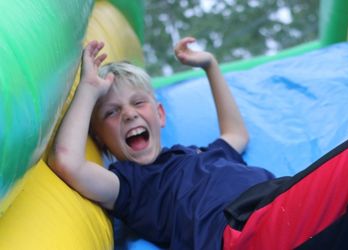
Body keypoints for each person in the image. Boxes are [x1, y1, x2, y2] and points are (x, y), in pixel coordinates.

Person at [48, 37, 274, 249]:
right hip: (237, 229)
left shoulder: (197, 154)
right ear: (100, 140)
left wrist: (210, 66)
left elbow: (237, 135)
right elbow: (68, 161)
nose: (128, 114)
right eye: (112, 112)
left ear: (161, 115)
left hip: (273, 200)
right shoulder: (132, 186)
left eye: (138, 102)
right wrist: (88, 87)